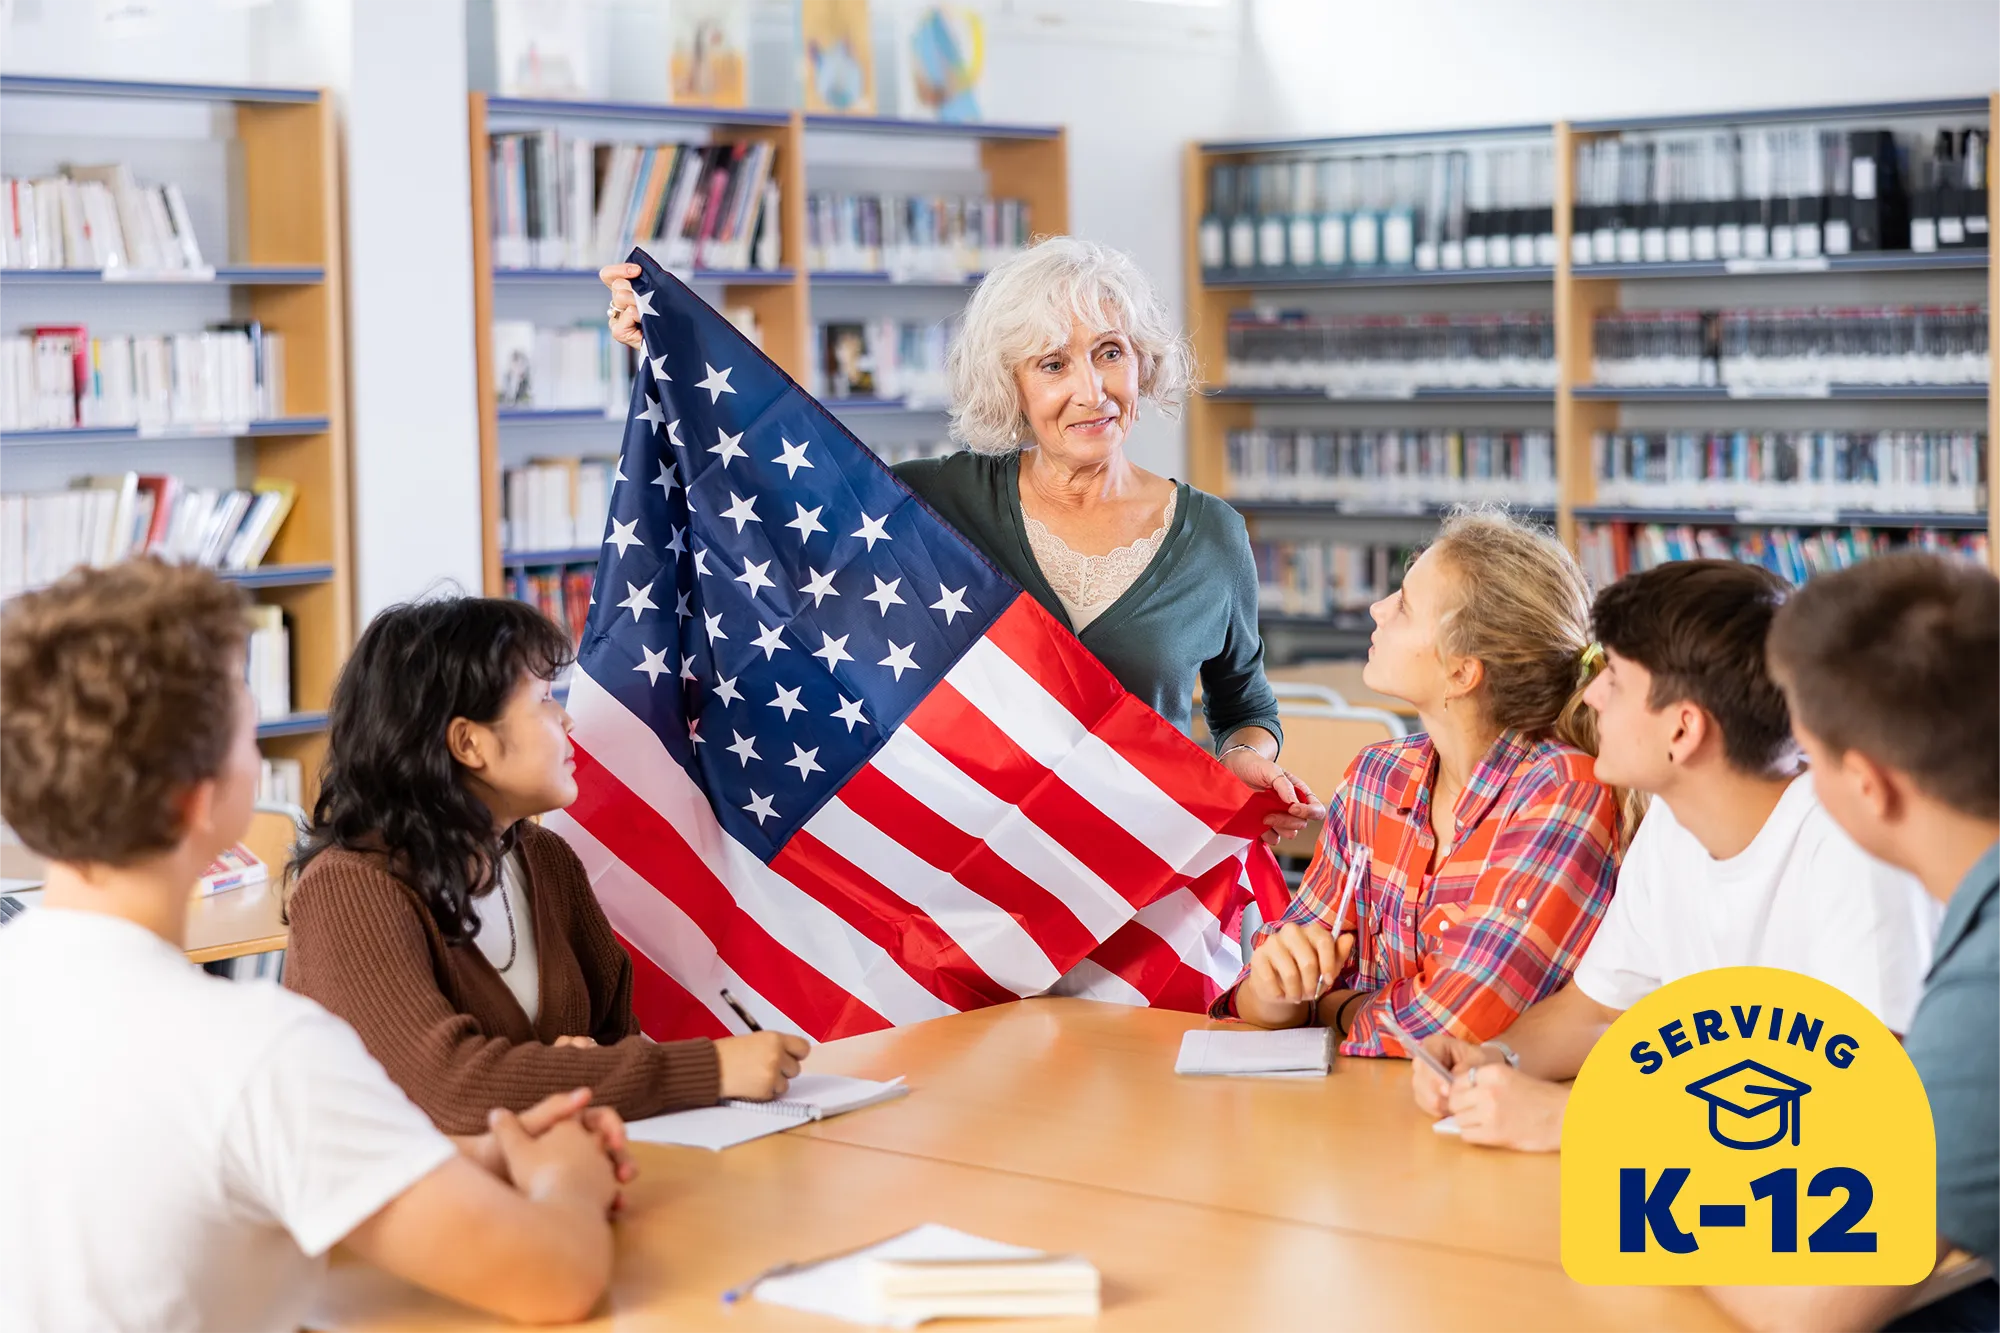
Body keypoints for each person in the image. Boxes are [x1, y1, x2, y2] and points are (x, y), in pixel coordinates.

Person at [0, 560, 631, 1330]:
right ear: (203, 800)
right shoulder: (259, 1054)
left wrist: (468, 1160)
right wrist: (567, 1173)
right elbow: (553, 1278)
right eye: (246, 728)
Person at [602, 238, 1319, 848]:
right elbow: (767, 494)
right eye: (1052, 364)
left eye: (1110, 352)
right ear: (1011, 385)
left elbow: (1244, 704)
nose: (1092, 390)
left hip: (1143, 868)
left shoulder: (1213, 537)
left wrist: (1246, 757)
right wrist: (671, 347)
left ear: (1143, 362)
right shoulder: (930, 504)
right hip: (970, 886)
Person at [1407, 560, 1939, 1151]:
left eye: (1617, 678)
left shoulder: (1852, 846)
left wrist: (1579, 1121)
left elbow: (1867, 1096)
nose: (1592, 695)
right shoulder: (1672, 822)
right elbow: (1600, 1013)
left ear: (1683, 731)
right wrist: (1491, 1059)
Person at [285, 595, 809, 1134]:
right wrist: (712, 1068)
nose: (568, 719)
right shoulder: (346, 891)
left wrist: (575, 1072)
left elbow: (613, 1041)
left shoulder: (546, 860)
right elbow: (448, 1088)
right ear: (469, 743)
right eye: (542, 701)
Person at [1705, 553, 2000, 1333]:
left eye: (1808, 755)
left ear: (1867, 785)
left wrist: (1658, 1196)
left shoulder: (1988, 989)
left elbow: (1810, 1308)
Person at [1215, 510, 1624, 1056]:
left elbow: (1451, 1026)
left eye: (1404, 606)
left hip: (1483, 1123)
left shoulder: (1562, 790)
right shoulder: (1376, 776)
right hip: (1357, 1115)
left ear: (1462, 672)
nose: (1377, 608)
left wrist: (1336, 1008)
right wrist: (1274, 992)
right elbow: (1272, 980)